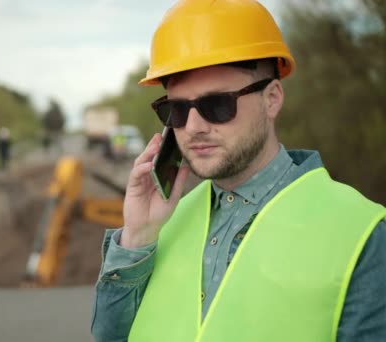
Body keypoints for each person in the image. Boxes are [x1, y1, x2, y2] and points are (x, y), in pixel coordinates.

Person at [91, 1, 386, 341]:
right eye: (178, 109)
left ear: (272, 99)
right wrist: (138, 238)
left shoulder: (358, 234)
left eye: (217, 104)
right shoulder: (162, 224)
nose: (194, 126)